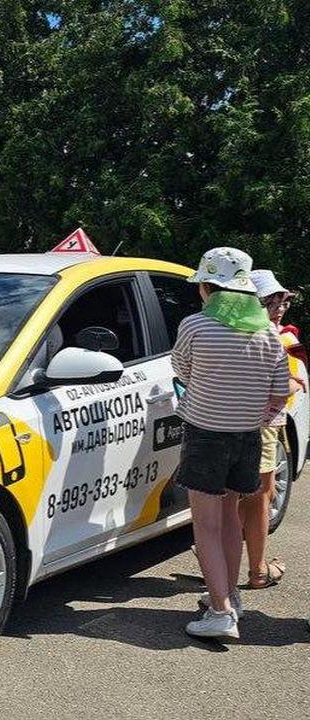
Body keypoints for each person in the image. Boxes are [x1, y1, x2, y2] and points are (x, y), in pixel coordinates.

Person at [172, 247, 291, 639]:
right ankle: (231, 598)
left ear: (208, 288)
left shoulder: (195, 326)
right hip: (247, 438)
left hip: (205, 434)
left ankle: (220, 611)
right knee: (229, 520)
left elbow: (182, 370)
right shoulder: (269, 336)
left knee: (204, 527)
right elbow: (279, 391)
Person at [237, 270, 306, 589]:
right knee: (260, 496)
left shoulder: (278, 335)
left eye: (284, 300)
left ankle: (225, 558)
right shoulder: (268, 336)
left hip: (249, 423)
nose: (279, 306)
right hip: (261, 423)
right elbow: (280, 387)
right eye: (272, 300)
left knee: (251, 495)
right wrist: (292, 382)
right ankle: (257, 570)